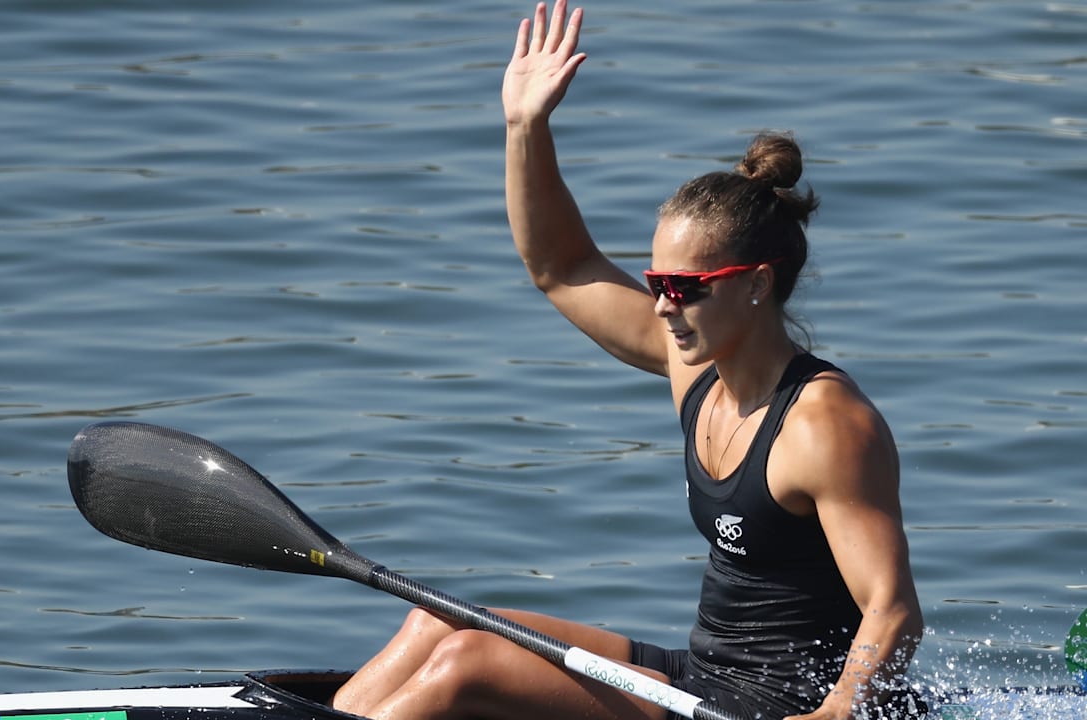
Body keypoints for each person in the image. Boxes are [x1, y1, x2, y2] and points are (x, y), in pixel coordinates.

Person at [330, 1, 925, 718]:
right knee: (439, 626)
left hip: (776, 705)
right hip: (702, 674)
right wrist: (525, 127)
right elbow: (562, 266)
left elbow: (892, 607)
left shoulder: (825, 425)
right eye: (656, 284)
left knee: (467, 666)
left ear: (757, 284)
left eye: (686, 288)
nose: (664, 307)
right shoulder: (699, 368)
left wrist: (835, 714)